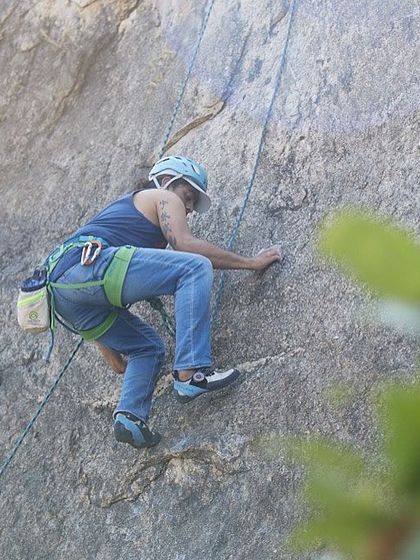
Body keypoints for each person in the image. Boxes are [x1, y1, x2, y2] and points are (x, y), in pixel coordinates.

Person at [48, 155, 281, 449]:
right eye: (187, 197)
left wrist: (105, 343)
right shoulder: (161, 196)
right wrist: (251, 263)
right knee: (194, 267)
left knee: (148, 348)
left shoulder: (127, 225)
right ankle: (191, 373)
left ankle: (130, 416)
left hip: (66, 295)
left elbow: (91, 294)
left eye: (192, 206)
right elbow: (184, 245)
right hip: (88, 269)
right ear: (169, 182)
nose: (187, 207)